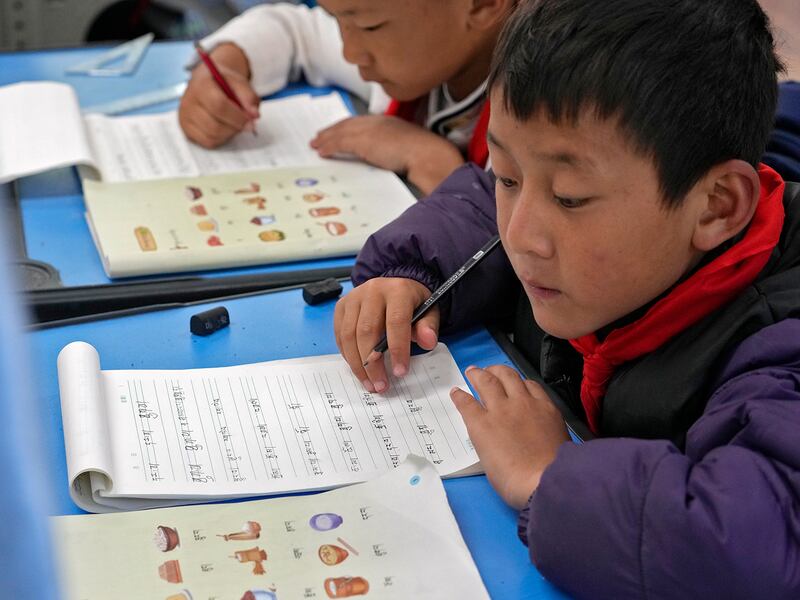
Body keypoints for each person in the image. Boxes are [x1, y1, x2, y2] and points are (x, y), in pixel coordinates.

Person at [333, 0, 800, 597]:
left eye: (572, 198)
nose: (521, 234)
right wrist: (409, 274)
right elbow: (476, 205)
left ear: (716, 206)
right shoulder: (595, 250)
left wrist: (545, 477)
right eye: (508, 176)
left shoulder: (778, 341)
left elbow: (754, 545)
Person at [178, 0, 515, 195]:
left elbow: (515, 262)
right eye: (338, 18)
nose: (350, 52)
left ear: (483, 4)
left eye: (370, 28)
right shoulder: (423, 48)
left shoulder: (539, 115)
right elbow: (297, 29)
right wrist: (225, 64)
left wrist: (433, 164)